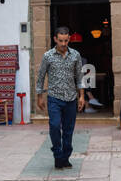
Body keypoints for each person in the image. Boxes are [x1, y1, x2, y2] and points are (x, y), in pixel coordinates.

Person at [35, 26, 85, 168]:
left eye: (66, 40)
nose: (63, 44)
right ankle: (58, 154)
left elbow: (79, 77)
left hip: (70, 98)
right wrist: (39, 97)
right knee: (55, 126)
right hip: (54, 98)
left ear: (69, 39)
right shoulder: (48, 56)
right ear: (55, 39)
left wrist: (81, 96)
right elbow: (40, 77)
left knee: (69, 130)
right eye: (61, 41)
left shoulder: (75, 55)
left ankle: (65, 156)